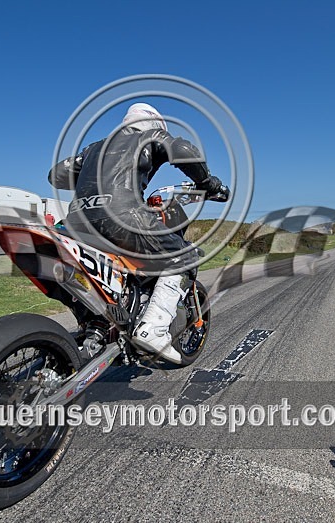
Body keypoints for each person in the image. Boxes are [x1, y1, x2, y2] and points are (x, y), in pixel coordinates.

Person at [48, 103, 228, 363]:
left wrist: (92, 175)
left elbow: (56, 175)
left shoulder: (93, 148)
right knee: (185, 257)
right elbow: (184, 150)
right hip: (121, 216)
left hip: (76, 220)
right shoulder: (150, 136)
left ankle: (98, 324)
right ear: (156, 124)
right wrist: (207, 183)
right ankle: (153, 328)